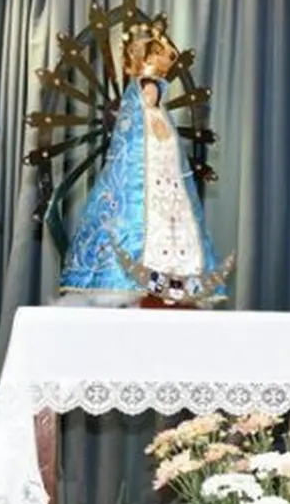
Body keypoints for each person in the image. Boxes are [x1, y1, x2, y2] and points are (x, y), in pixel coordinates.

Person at [57, 26, 228, 306]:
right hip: (140, 182)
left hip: (166, 183)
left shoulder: (159, 115)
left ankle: (171, 279)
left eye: (155, 91)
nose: (152, 96)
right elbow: (131, 147)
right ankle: (127, 278)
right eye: (148, 91)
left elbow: (168, 149)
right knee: (133, 224)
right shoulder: (137, 116)